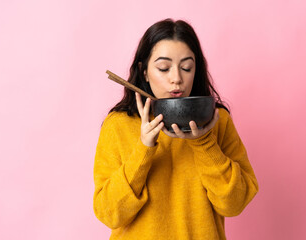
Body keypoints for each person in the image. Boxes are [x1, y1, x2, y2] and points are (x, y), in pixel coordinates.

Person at [93, 18, 258, 240]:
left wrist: (205, 143)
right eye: (163, 68)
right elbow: (109, 214)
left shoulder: (218, 121)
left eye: (186, 67)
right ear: (144, 72)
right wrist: (143, 150)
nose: (177, 79)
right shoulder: (118, 125)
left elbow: (235, 204)